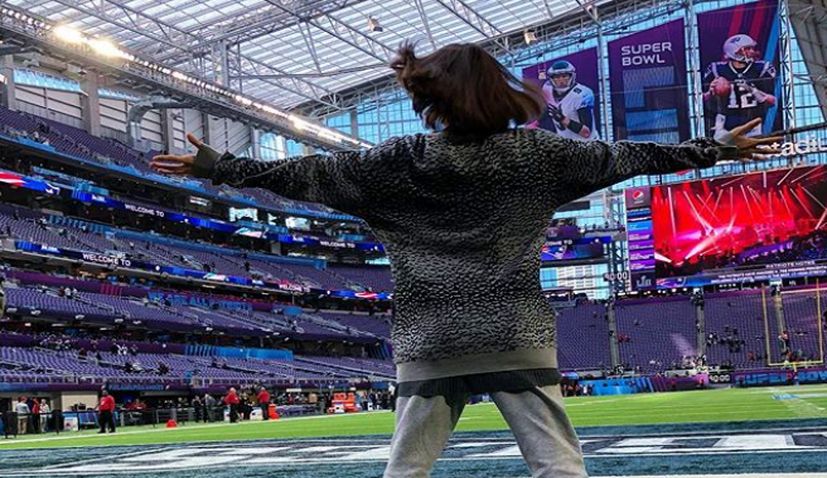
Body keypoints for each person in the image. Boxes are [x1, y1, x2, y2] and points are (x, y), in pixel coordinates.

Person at [151, 42, 780, 478]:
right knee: (557, 465)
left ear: (432, 98)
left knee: (407, 469)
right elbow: (629, 157)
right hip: (515, 333)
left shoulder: (397, 161)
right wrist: (714, 147)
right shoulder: (540, 156)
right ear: (501, 93)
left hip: (429, 338)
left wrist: (219, 165)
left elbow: (304, 174)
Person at [703, 34, 777, 142]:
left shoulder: (761, 68)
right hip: (724, 124)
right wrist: (711, 92)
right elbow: (702, 100)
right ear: (734, 51)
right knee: (722, 151)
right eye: (747, 49)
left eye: (752, 48)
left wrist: (753, 90)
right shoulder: (717, 69)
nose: (752, 52)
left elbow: (772, 101)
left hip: (753, 124)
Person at [534, 60, 599, 140]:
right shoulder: (548, 88)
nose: (561, 80)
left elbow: (586, 133)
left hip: (586, 144)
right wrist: (534, 124)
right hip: (565, 143)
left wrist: (562, 119)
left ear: (572, 76)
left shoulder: (582, 94)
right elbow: (547, 110)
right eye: (557, 77)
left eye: (564, 76)